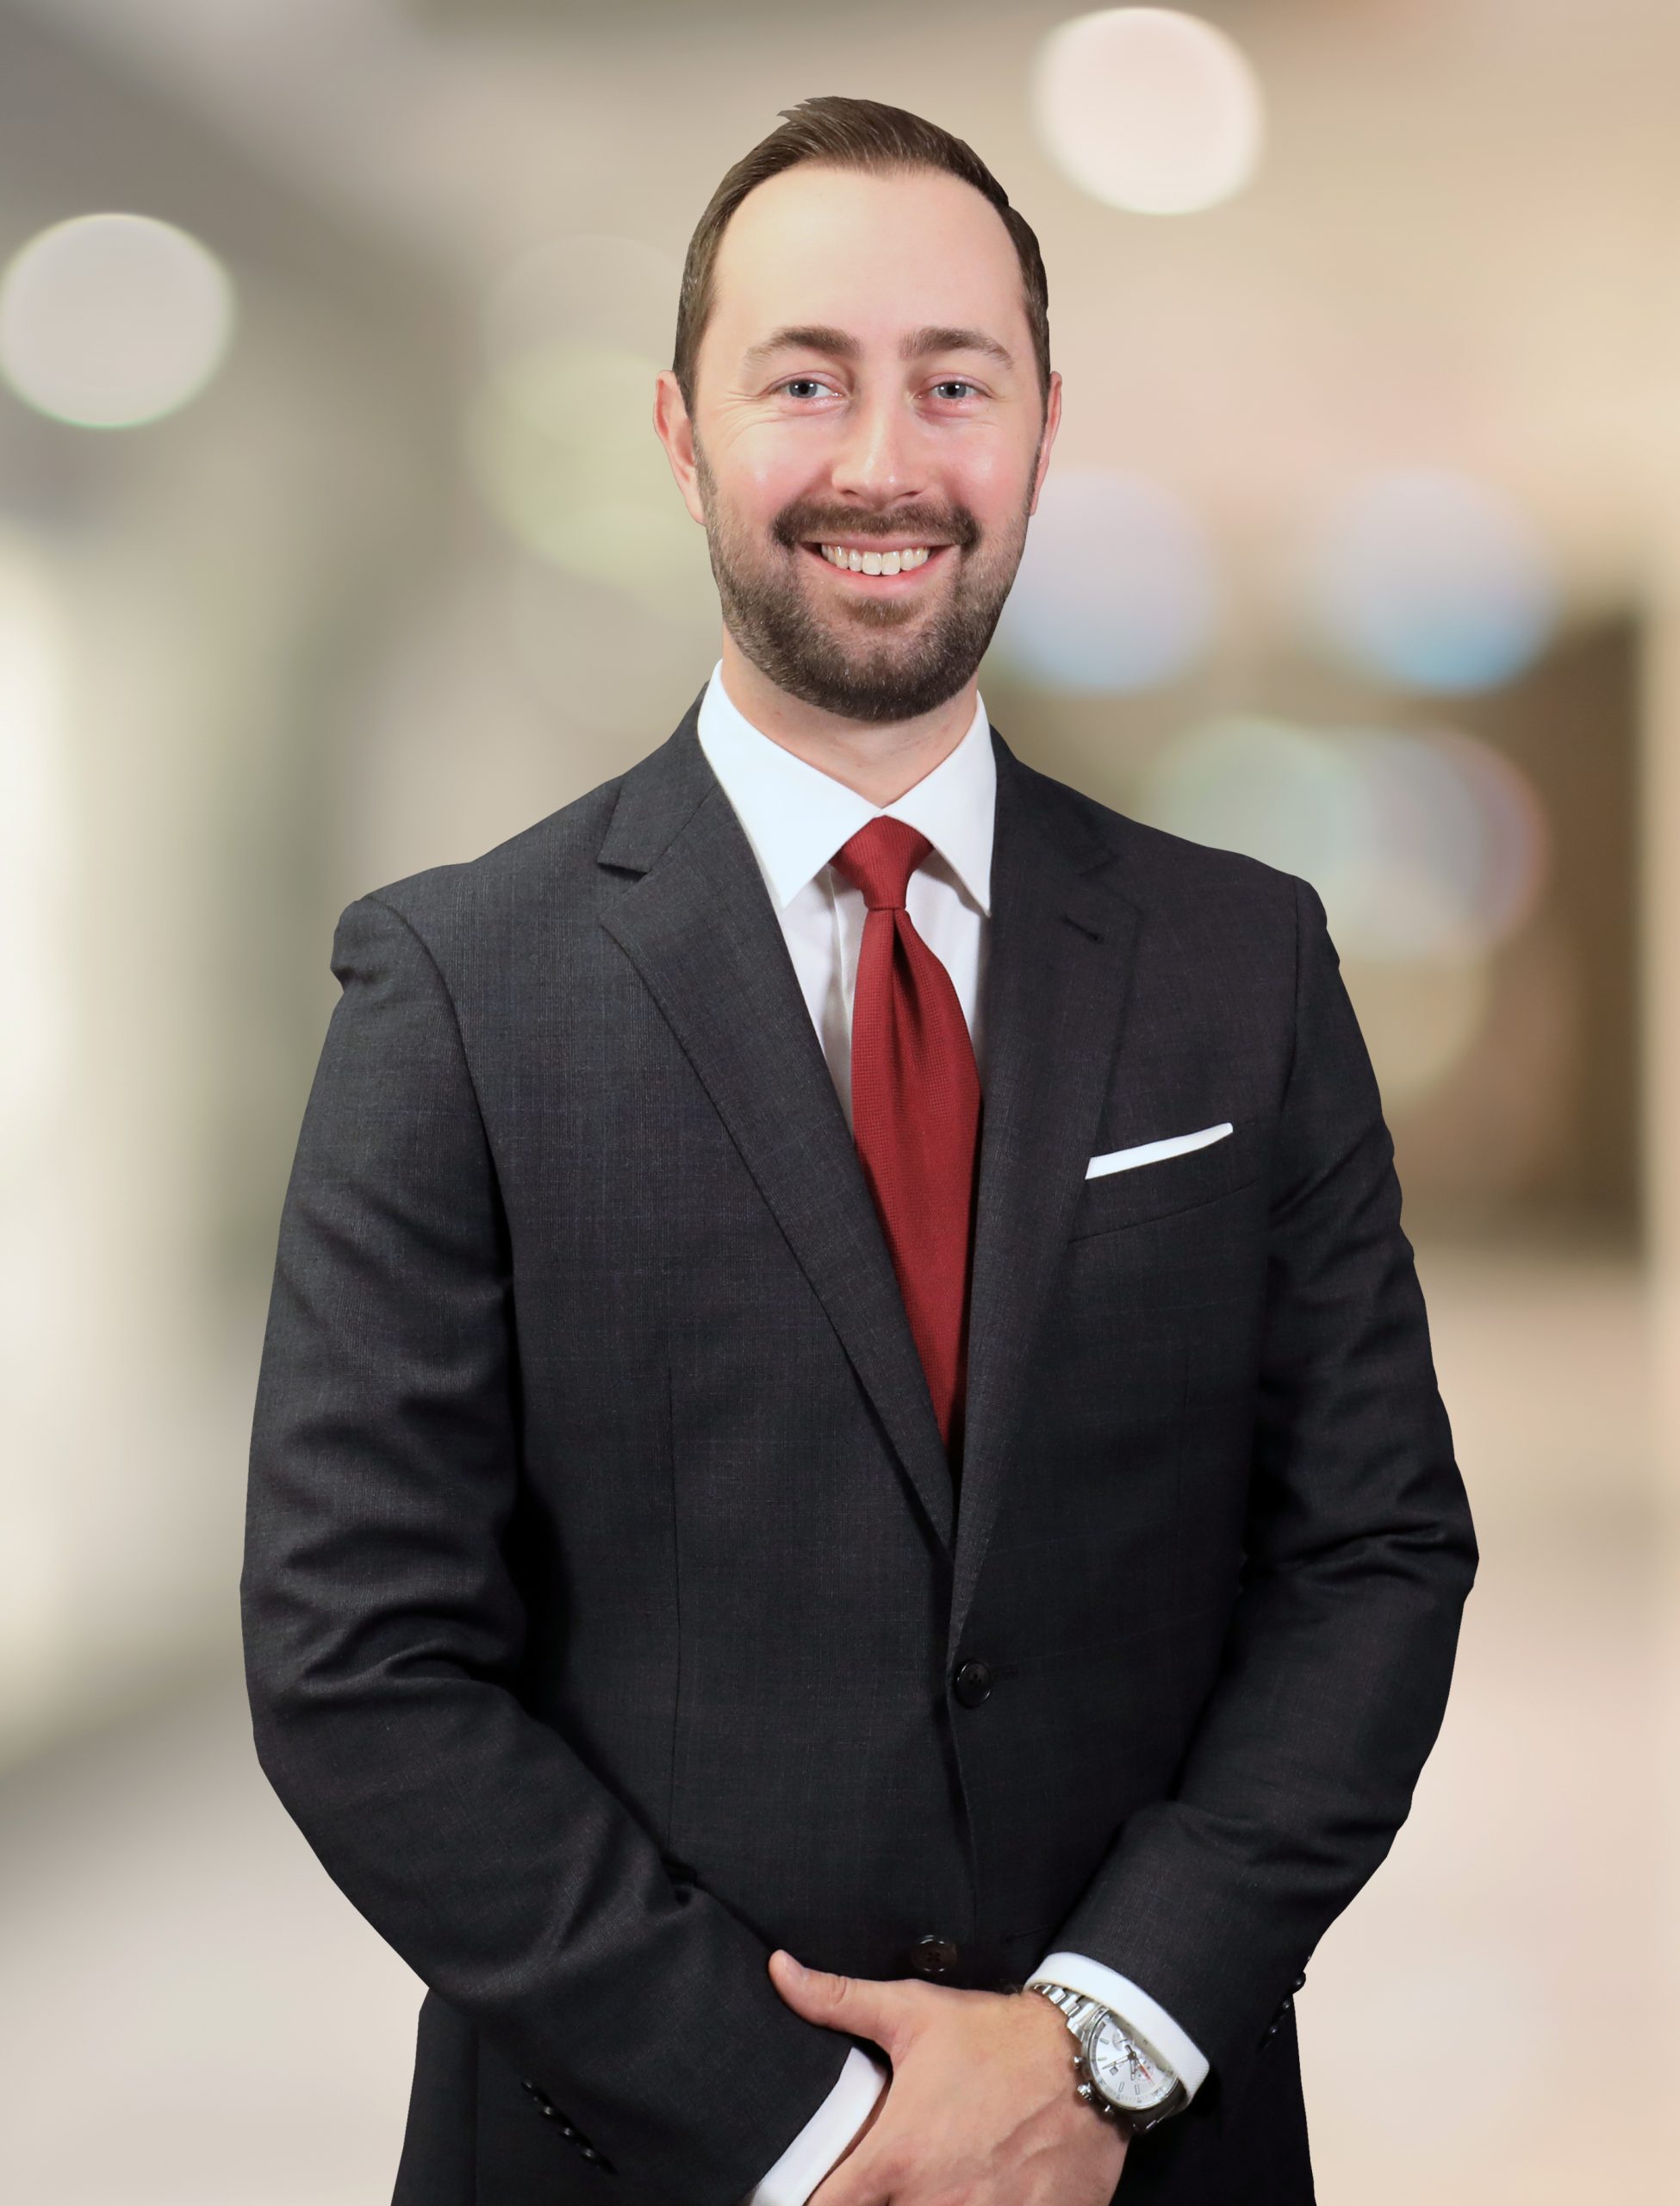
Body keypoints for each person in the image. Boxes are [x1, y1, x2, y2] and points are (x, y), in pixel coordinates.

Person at [241, 95, 1478, 2206]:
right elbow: (361, 1656)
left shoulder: (1241, 965)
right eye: (804, 378)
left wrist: (1100, 2038)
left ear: (1042, 427)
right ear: (678, 429)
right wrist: (821, 2117)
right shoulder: (458, 983)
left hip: (1143, 2151)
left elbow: (1370, 1553)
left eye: (953, 381)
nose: (883, 460)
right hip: (630, 2154)